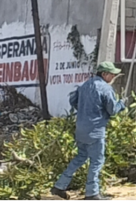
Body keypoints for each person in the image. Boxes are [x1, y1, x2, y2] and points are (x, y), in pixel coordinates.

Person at [50, 62, 126, 200]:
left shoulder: (85, 85)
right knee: (97, 161)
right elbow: (113, 110)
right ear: (104, 74)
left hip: (81, 129)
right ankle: (92, 193)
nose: (114, 77)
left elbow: (73, 100)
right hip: (95, 131)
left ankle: (59, 186)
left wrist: (85, 110)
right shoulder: (105, 88)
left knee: (80, 157)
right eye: (112, 74)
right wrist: (122, 103)